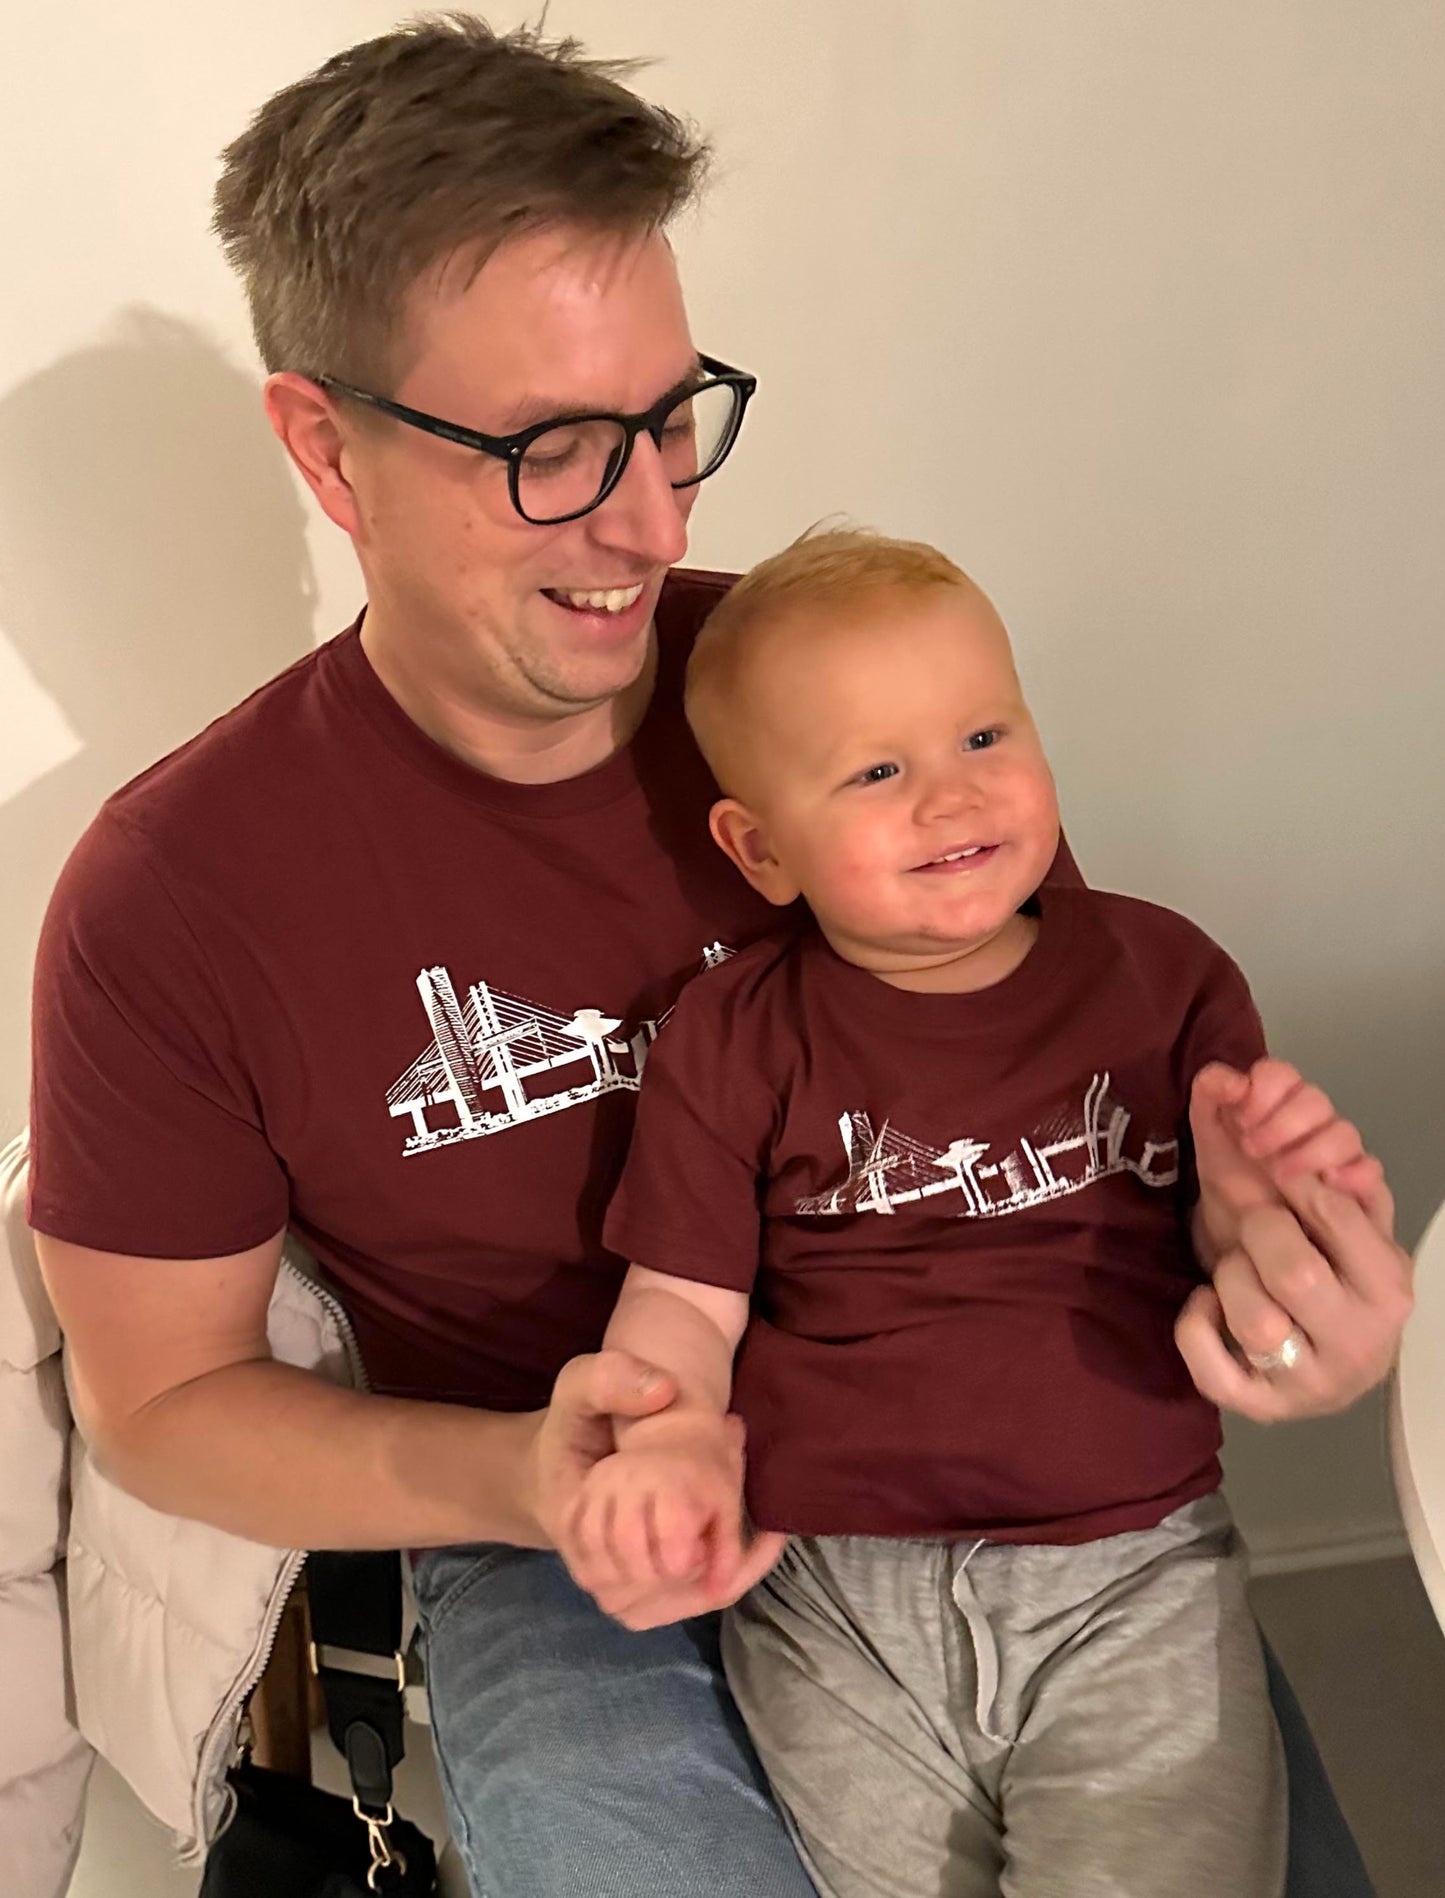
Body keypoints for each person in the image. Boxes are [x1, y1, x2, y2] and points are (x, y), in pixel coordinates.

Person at [25, 18, 1408, 1898]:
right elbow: (162, 1404)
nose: (653, 515)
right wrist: (527, 1475)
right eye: (551, 448)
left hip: (1020, 1500)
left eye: (674, 413)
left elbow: (1078, 1123)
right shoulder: (172, 897)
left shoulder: (846, 697)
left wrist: (1271, 1307)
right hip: (555, 1524)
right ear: (324, 446)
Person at [573, 528, 1387, 1896]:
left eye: (983, 734)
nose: (949, 794)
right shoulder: (731, 1034)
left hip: (1129, 1575)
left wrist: (1269, 1218)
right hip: (831, 1592)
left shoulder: (1160, 975)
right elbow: (682, 1297)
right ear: (760, 847)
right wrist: (661, 1439)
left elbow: (1237, 1283)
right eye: (878, 769)